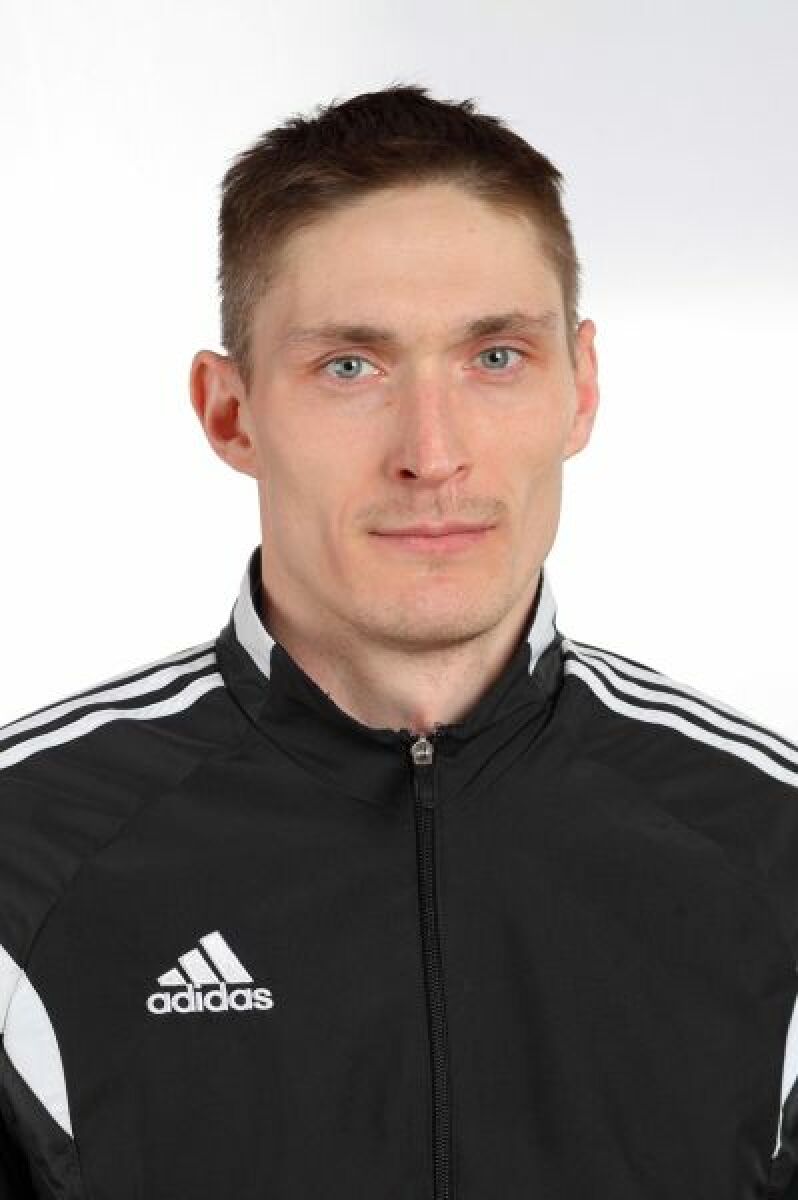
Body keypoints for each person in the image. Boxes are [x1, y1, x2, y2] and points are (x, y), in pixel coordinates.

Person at [0, 83, 796, 1200]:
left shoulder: (770, 845)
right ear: (230, 412)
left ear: (582, 390)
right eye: (351, 367)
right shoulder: (26, 854)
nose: (432, 453)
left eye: (496, 358)